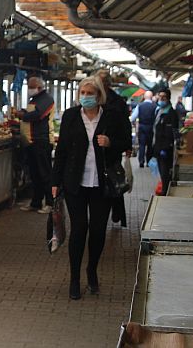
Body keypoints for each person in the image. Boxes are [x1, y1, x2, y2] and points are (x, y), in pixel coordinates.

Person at [51, 76, 131, 300]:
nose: (85, 97)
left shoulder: (112, 117)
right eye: (82, 93)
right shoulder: (70, 116)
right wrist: (55, 183)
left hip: (101, 183)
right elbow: (62, 150)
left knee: (97, 230)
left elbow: (126, 141)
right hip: (75, 181)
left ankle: (92, 270)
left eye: (89, 93)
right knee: (79, 228)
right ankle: (75, 279)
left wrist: (110, 143)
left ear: (99, 96)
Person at [95, 69, 131, 227]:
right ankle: (110, 207)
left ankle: (115, 208)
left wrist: (126, 145)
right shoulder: (92, 98)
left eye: (100, 83)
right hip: (96, 149)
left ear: (107, 84)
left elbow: (125, 126)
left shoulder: (117, 102)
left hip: (112, 149)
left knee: (112, 178)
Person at [18, 76, 55, 213]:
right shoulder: (34, 100)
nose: (29, 89)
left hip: (41, 141)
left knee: (45, 174)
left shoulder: (47, 99)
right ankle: (36, 202)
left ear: (39, 87)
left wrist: (22, 115)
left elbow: (38, 115)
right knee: (34, 174)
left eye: (31, 87)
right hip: (31, 142)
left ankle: (51, 203)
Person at [153, 89, 179, 195]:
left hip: (165, 148)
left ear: (168, 98)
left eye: (164, 97)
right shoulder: (159, 111)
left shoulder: (171, 113)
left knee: (165, 171)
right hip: (158, 147)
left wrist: (165, 147)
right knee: (161, 170)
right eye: (160, 97)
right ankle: (164, 188)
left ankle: (165, 191)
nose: (161, 99)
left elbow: (171, 133)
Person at [130, 90, 156, 168]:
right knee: (150, 146)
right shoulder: (155, 106)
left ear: (144, 97)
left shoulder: (140, 106)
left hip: (142, 127)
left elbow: (133, 117)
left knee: (142, 145)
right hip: (151, 127)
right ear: (151, 97)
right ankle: (148, 162)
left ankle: (141, 161)